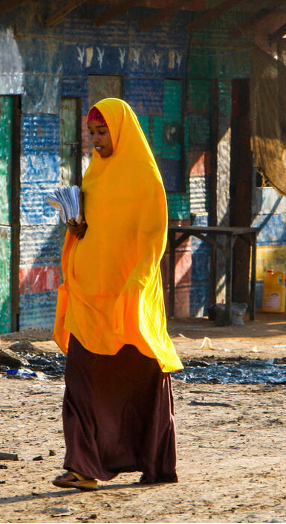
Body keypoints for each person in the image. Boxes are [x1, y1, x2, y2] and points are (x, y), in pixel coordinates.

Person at [52, 98, 183, 491]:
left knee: (142, 384)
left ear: (120, 130)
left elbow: (152, 241)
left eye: (102, 131)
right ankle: (83, 468)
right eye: (91, 133)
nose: (95, 140)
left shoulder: (144, 178)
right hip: (90, 297)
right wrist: (76, 229)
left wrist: (137, 289)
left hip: (127, 300)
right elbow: (95, 230)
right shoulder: (93, 175)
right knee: (80, 382)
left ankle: (154, 464)